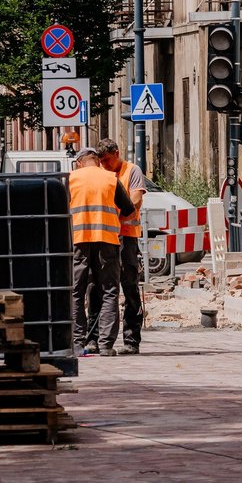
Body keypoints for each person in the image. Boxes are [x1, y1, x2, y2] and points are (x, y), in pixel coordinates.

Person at [69, 146, 135, 358]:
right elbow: (129, 209)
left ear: (79, 162)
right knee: (109, 291)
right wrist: (115, 223)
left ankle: (78, 344)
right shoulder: (110, 179)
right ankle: (106, 345)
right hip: (107, 241)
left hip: (79, 241)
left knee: (76, 292)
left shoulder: (71, 179)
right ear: (97, 161)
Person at [84, 138, 148, 355]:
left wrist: (114, 217)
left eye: (108, 160)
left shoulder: (132, 171)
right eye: (101, 162)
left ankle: (131, 340)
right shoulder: (102, 174)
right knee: (96, 287)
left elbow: (136, 200)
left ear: (117, 153)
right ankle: (92, 338)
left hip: (126, 238)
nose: (105, 165)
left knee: (129, 286)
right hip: (103, 237)